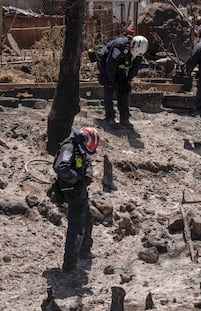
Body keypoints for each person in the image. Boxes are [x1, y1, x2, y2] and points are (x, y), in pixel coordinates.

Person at [53, 127, 100, 273]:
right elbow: (61, 167)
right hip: (71, 191)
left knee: (87, 219)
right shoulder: (69, 148)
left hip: (79, 190)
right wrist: (76, 178)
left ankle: (84, 250)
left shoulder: (80, 149)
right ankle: (69, 264)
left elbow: (87, 161)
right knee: (76, 227)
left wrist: (87, 174)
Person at [99, 35, 148, 128]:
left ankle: (124, 118)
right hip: (107, 64)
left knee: (124, 90)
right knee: (109, 88)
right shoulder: (119, 46)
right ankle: (109, 117)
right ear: (132, 44)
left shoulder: (139, 53)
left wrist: (128, 80)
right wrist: (110, 80)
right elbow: (110, 64)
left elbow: (134, 68)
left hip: (120, 67)